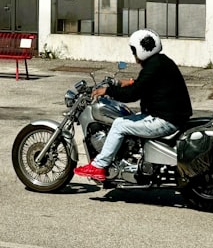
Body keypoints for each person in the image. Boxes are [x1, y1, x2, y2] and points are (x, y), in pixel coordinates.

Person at [73, 29, 193, 181]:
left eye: (134, 50)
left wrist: (107, 90)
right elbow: (146, 85)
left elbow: (133, 94)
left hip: (165, 120)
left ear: (142, 49)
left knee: (118, 124)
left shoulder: (153, 66)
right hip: (169, 116)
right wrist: (128, 83)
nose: (133, 54)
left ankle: (99, 166)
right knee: (128, 119)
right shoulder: (160, 62)